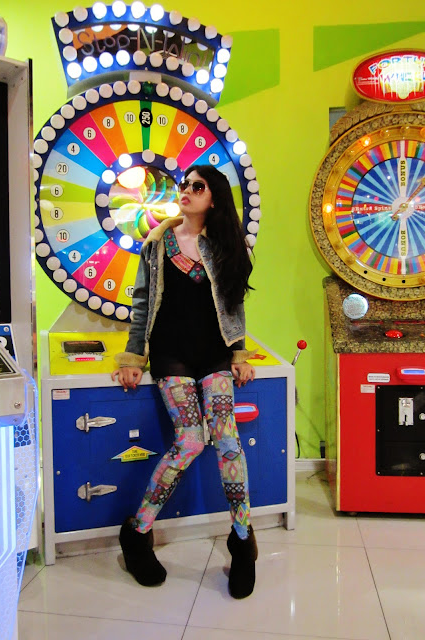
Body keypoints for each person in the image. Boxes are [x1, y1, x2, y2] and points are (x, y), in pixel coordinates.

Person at [111, 164, 258, 599]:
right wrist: (134, 357)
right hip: (171, 354)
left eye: (198, 186)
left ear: (214, 197)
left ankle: (242, 541)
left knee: (228, 441)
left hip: (214, 355)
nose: (187, 191)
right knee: (191, 440)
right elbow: (142, 302)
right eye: (184, 185)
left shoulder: (228, 244)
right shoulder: (158, 243)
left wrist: (239, 354)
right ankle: (137, 532)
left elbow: (234, 304)